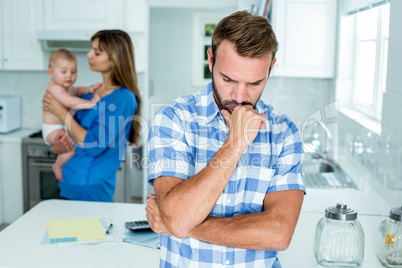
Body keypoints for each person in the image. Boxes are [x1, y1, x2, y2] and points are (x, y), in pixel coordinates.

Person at [146, 11, 305, 267]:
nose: (240, 97)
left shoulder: (284, 132)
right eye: (228, 79)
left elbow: (278, 233)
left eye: (254, 83)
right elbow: (177, 218)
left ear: (271, 68)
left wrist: (184, 225)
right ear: (211, 60)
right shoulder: (173, 118)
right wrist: (235, 143)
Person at [42, 30, 142, 202]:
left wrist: (61, 111)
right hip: (69, 181)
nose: (88, 54)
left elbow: (93, 145)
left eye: (96, 52)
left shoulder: (122, 98)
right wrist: (58, 147)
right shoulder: (91, 93)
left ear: (114, 58)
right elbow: (70, 135)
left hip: (89, 187)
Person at [42, 48, 101, 182]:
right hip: (52, 130)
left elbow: (76, 90)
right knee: (71, 147)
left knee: (71, 143)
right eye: (64, 72)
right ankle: (57, 165)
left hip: (59, 127)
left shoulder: (65, 86)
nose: (69, 76)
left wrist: (88, 89)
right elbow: (69, 101)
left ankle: (59, 165)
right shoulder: (55, 88)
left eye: (73, 72)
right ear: (51, 73)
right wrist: (91, 103)